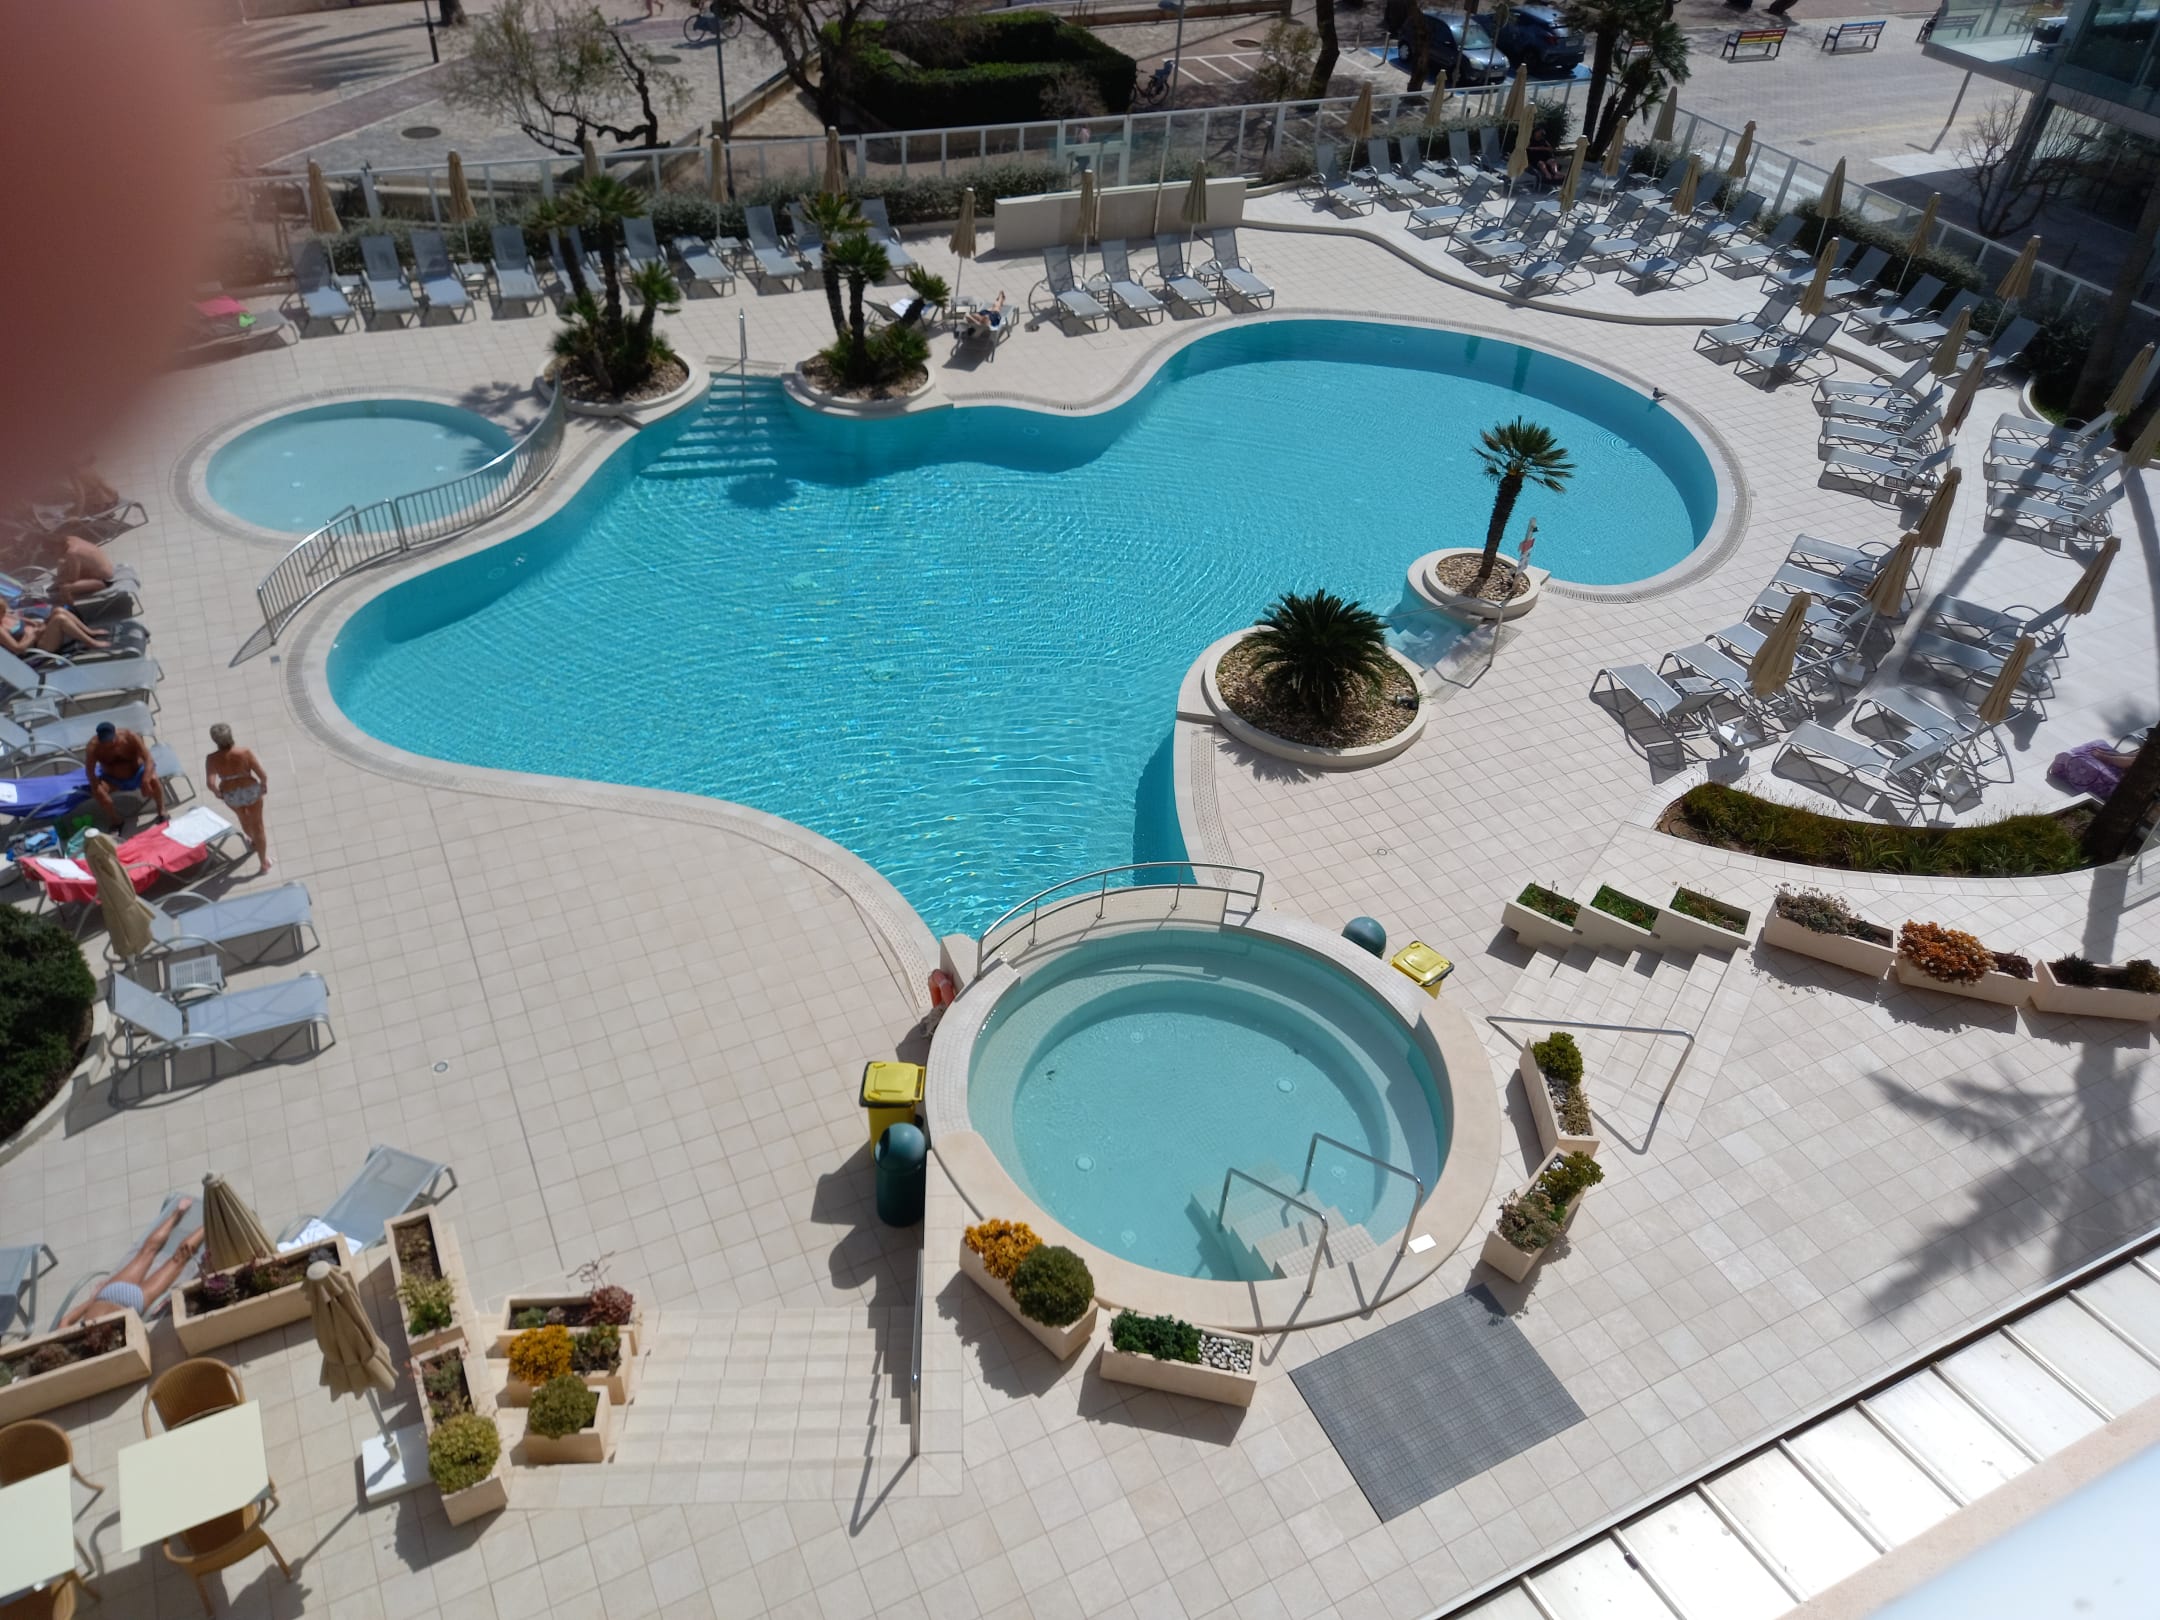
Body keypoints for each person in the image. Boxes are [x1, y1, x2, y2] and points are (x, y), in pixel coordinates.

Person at [59, 1196, 205, 1328]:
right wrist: (92, 1300)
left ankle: (207, 1223)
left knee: (178, 1259)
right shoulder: (76, 1334)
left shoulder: (95, 1342)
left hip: (130, 1303)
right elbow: (65, 1321)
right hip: (106, 1294)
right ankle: (177, 1214)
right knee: (147, 1251)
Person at [206, 722, 271, 870]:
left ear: (215, 740)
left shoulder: (212, 758)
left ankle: (253, 842)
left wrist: (217, 793)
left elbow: (210, 783)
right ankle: (263, 863)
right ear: (230, 736)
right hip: (250, 790)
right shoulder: (244, 753)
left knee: (243, 817)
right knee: (258, 825)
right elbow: (262, 774)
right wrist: (263, 785)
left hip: (230, 793)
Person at [86, 718, 163, 826]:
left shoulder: (130, 737)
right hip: (112, 780)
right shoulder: (93, 747)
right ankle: (116, 820)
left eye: (110, 740)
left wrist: (145, 781)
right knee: (98, 791)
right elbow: (90, 772)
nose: (108, 744)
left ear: (115, 733)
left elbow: (149, 759)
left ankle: (161, 810)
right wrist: (97, 789)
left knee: (153, 779)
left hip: (137, 774)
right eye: (105, 742)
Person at [1, 598, 108, 657]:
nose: (6, 613)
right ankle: (90, 642)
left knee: (58, 610)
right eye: (2, 612)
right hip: (37, 647)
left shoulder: (6, 614)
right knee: (59, 619)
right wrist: (32, 635)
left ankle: (89, 632)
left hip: (39, 634)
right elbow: (18, 649)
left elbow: (21, 618)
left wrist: (34, 623)